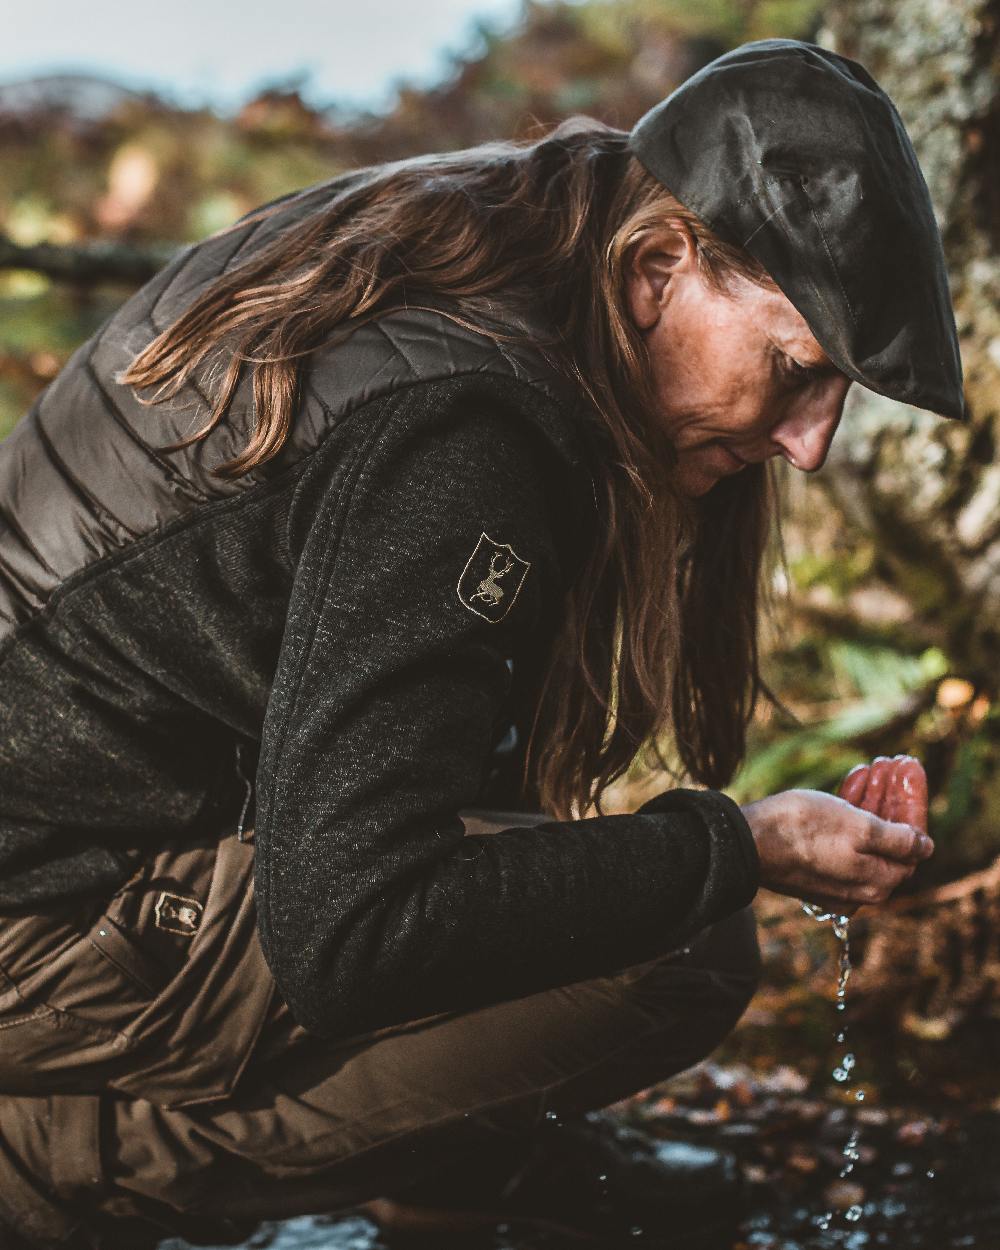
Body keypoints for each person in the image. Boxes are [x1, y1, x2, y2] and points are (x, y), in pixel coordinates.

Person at [0, 37, 957, 1248]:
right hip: (36, 912)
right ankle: (52, 1162)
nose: (810, 443)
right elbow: (355, 928)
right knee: (684, 937)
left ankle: (460, 1166)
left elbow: (418, 745)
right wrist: (742, 843)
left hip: (72, 851)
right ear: (662, 264)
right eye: (793, 369)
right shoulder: (467, 425)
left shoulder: (500, 243)